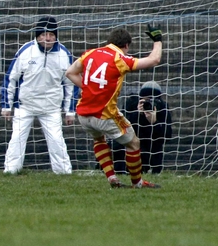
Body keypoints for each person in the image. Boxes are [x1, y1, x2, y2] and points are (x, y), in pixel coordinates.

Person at [64, 24, 163, 189]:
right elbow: (154, 60)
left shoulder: (90, 53)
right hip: (104, 114)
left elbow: (69, 72)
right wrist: (158, 40)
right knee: (134, 144)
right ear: (126, 46)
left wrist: (88, 88)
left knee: (98, 139)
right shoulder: (120, 59)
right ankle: (137, 183)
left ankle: (112, 178)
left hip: (83, 114)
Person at [1, 16, 78, 175]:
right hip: (25, 106)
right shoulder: (26, 51)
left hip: (51, 108)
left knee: (57, 141)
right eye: (43, 34)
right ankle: (11, 171)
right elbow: (11, 78)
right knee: (17, 139)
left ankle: (64, 173)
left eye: (51, 34)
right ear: (37, 36)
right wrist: (6, 106)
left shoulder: (64, 54)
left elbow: (70, 84)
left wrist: (70, 111)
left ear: (56, 36)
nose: (47, 38)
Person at [124, 81, 173, 174]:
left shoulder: (162, 108)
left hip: (153, 155)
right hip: (132, 153)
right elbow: (123, 131)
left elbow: (167, 136)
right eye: (145, 100)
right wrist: (137, 114)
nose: (148, 104)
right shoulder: (131, 105)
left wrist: (154, 122)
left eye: (151, 100)